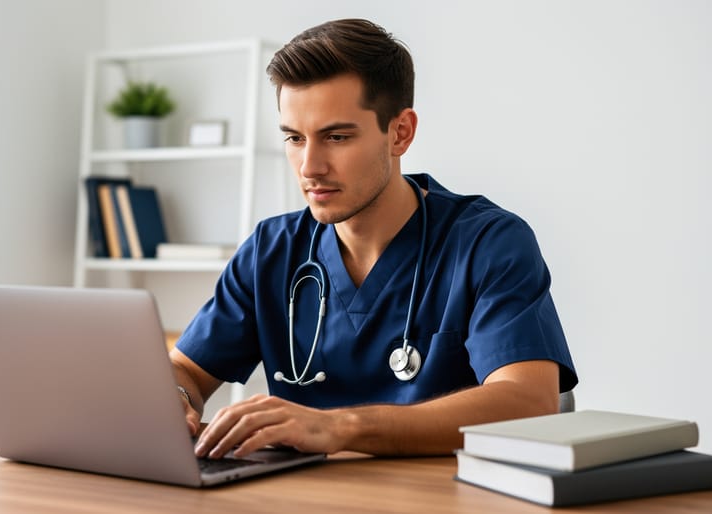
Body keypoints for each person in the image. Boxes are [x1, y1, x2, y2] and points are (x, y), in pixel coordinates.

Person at [170, 18, 577, 459]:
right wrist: (177, 396)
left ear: (399, 132)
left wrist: (340, 427)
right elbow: (185, 369)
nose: (309, 166)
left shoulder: (488, 243)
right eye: (294, 138)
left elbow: (528, 403)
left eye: (337, 137)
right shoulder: (272, 250)